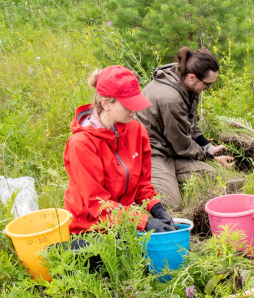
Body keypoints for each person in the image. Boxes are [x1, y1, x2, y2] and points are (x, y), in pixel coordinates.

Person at [63, 65, 176, 238]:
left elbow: (142, 185)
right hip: (89, 228)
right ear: (106, 104)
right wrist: (144, 222)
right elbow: (97, 204)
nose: (134, 110)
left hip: (123, 223)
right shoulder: (81, 144)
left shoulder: (137, 131)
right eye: (128, 105)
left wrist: (157, 209)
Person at [137, 47, 234, 210]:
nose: (208, 89)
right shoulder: (171, 99)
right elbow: (182, 144)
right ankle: (143, 182)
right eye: (208, 85)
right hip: (150, 151)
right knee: (172, 204)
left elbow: (191, 121)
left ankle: (166, 177)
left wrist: (208, 146)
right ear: (192, 76)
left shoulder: (187, 84)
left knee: (209, 174)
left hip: (168, 147)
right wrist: (209, 156)